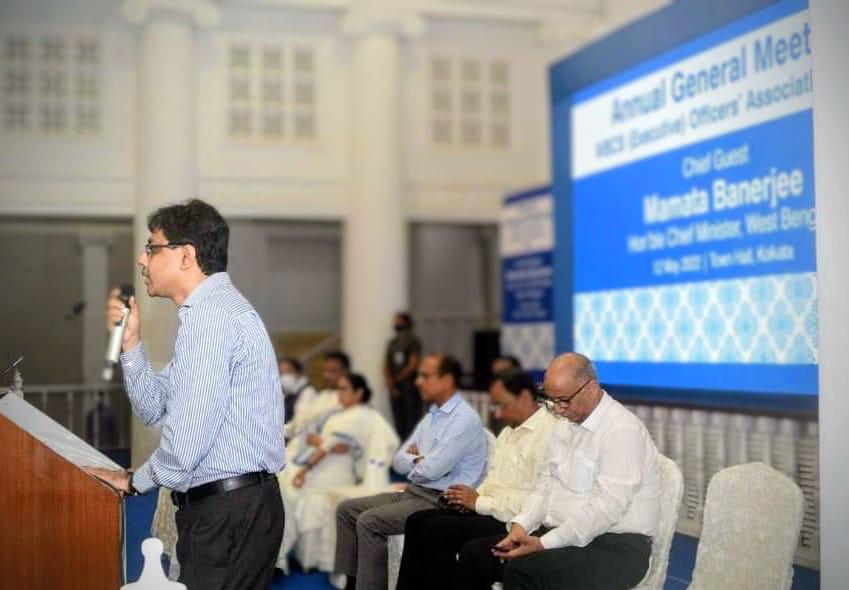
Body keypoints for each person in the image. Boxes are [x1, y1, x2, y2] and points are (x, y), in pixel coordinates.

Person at [89, 199, 285, 590]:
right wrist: (132, 344)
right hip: (231, 509)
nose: (142, 260)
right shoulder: (207, 313)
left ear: (185, 256)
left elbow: (187, 441)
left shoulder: (212, 318)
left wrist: (134, 480)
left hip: (229, 512)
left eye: (151, 248)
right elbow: (152, 407)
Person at [456, 353, 660, 590]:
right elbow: (544, 485)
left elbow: (605, 509)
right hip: (563, 534)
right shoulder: (565, 425)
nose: (558, 410)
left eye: (563, 400)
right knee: (476, 555)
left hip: (615, 547)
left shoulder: (621, 430)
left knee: (522, 572)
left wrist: (544, 544)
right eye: (551, 401)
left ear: (591, 389)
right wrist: (521, 526)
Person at [334, 353, 487, 590]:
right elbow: (398, 461)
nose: (417, 381)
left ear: (447, 380)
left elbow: (432, 470)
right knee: (346, 510)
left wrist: (418, 460)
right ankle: (352, 584)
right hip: (416, 491)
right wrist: (421, 459)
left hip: (441, 500)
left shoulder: (463, 419)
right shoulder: (432, 417)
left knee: (369, 521)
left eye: (425, 376)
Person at [396, 368, 557, 590]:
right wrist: (469, 497)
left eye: (501, 405)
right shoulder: (508, 432)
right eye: (495, 406)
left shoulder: (549, 434)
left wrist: (479, 502)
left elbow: (535, 500)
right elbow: (493, 480)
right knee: (417, 521)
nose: (497, 414)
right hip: (492, 509)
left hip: (515, 520)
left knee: (437, 531)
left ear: (524, 397)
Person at [285, 350, 350, 441]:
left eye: (332, 371)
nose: (326, 375)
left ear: (345, 372)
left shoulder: (348, 401)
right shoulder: (322, 396)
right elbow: (299, 423)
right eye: (325, 371)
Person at [384, 312, 422, 439]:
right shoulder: (392, 343)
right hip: (395, 387)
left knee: (411, 419)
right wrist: (390, 382)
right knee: (398, 419)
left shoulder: (413, 342)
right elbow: (386, 364)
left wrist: (398, 379)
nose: (397, 324)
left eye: (399, 322)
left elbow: (413, 364)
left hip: (409, 387)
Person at [278, 356, 318, 426]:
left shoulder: (308, 392)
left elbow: (301, 423)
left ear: (299, 373)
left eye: (288, 372)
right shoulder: (288, 394)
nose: (284, 376)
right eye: (281, 373)